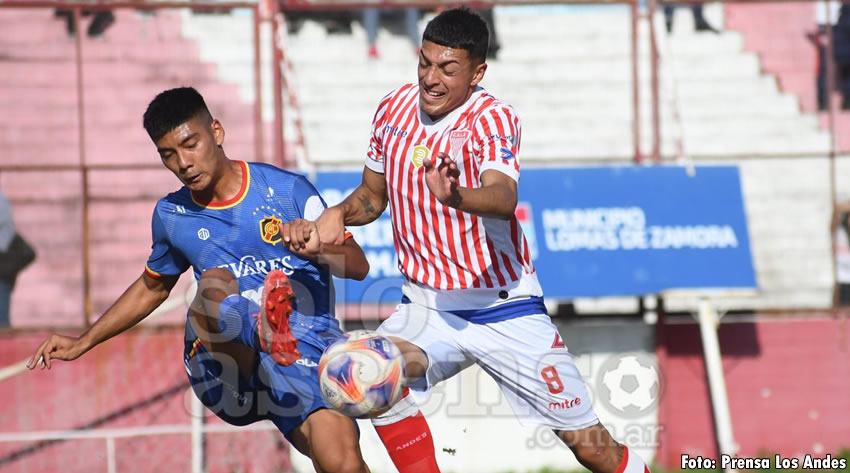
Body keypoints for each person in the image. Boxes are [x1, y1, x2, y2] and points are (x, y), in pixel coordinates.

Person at [303, 8, 651, 473]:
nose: (431, 78)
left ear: (477, 72)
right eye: (424, 63)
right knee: (363, 372)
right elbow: (372, 195)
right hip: (427, 307)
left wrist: (456, 195)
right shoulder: (391, 110)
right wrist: (339, 213)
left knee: (593, 450)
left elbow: (504, 197)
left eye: (448, 69)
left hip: (503, 309)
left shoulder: (492, 119)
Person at [25, 87, 438, 473]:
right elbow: (154, 286)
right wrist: (85, 340)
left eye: (190, 145)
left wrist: (316, 245)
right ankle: (260, 328)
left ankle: (271, 333)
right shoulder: (173, 216)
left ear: (217, 132)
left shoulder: (287, 191)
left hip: (303, 353)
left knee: (342, 462)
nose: (183, 163)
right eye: (168, 154)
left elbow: (358, 266)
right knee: (216, 282)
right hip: (224, 364)